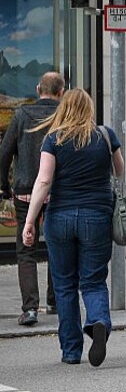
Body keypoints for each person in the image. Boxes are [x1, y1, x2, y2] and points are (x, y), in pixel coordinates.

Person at [22, 88, 123, 366]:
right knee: (93, 280)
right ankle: (98, 321)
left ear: (63, 109)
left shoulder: (53, 139)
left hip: (60, 218)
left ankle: (71, 351)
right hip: (97, 216)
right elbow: (119, 170)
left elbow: (44, 181)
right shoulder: (106, 136)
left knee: (65, 284)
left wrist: (30, 221)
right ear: (89, 108)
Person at [0, 71, 63, 325]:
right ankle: (55, 302)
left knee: (26, 250)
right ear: (61, 92)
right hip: (57, 191)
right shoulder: (64, 114)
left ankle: (30, 309)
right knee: (56, 246)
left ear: (38, 89)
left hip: (26, 191)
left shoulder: (22, 114)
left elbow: (4, 153)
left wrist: (4, 186)